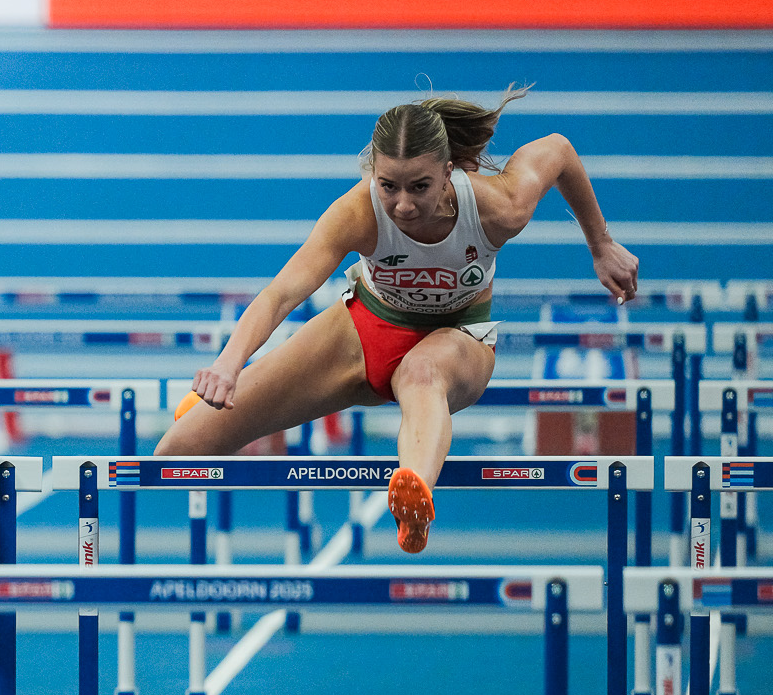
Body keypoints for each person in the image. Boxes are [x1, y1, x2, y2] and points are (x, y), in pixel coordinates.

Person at [160, 89, 639, 554]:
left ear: (448, 173)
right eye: (388, 186)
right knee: (175, 452)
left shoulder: (499, 205)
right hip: (365, 328)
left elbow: (559, 149)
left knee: (421, 371)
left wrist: (601, 244)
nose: (404, 205)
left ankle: (414, 502)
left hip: (458, 339)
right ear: (374, 173)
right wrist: (229, 364)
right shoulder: (358, 212)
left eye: (420, 187)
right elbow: (281, 292)